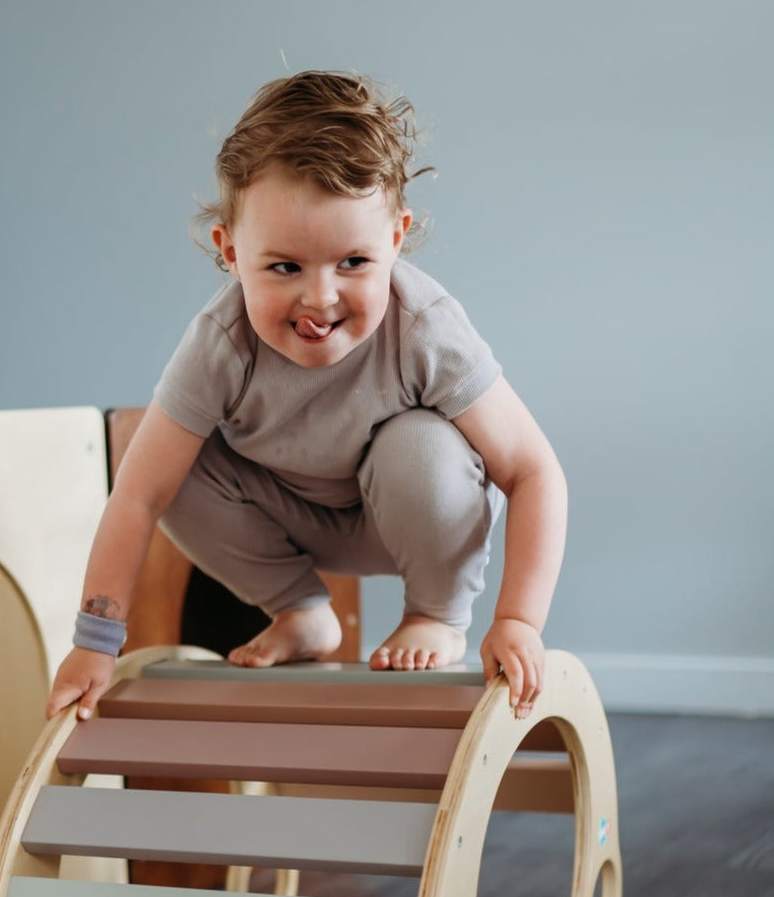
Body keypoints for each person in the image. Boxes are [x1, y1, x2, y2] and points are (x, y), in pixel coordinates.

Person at [47, 70, 566, 723]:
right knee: (160, 461)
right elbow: (138, 496)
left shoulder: (423, 326)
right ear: (231, 254)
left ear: (396, 239)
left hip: (408, 515)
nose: (320, 299)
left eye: (353, 262)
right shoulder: (221, 342)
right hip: (283, 521)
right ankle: (299, 610)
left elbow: (533, 470)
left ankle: (434, 614)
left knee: (420, 443)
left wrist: (518, 620)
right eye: (285, 267)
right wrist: (96, 643)